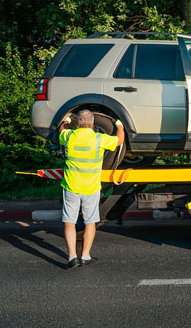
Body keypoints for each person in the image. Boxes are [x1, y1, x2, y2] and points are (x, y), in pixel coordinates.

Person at [58, 109, 124, 269]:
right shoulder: (99, 139)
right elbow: (119, 141)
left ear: (77, 123)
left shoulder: (68, 136)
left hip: (71, 186)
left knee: (69, 222)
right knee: (90, 222)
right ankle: (85, 256)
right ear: (93, 123)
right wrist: (119, 124)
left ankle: (72, 257)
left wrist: (66, 120)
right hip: (91, 187)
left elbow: (62, 130)